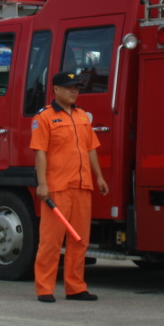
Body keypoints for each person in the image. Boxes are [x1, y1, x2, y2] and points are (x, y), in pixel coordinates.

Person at [30, 72, 109, 303]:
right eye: (69, 87)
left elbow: (91, 148)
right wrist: (42, 184)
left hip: (82, 186)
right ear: (55, 89)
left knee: (79, 240)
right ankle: (44, 288)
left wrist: (99, 177)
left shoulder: (82, 115)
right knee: (51, 241)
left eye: (77, 88)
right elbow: (40, 152)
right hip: (57, 188)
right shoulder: (44, 117)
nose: (74, 91)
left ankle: (75, 287)